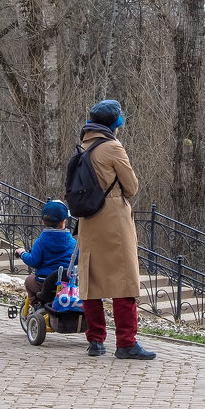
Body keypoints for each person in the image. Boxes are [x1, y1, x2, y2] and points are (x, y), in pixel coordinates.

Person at [75, 99, 154, 360]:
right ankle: (126, 342)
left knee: (91, 279)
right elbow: (131, 187)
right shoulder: (112, 147)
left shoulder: (83, 145)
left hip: (88, 218)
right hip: (113, 218)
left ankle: (96, 340)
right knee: (124, 281)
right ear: (114, 122)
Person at [16, 200, 77, 306]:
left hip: (44, 283)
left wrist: (22, 253)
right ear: (64, 222)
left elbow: (34, 261)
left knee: (28, 281)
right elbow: (76, 259)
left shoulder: (41, 241)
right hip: (65, 283)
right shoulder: (72, 242)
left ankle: (36, 304)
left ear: (43, 221)